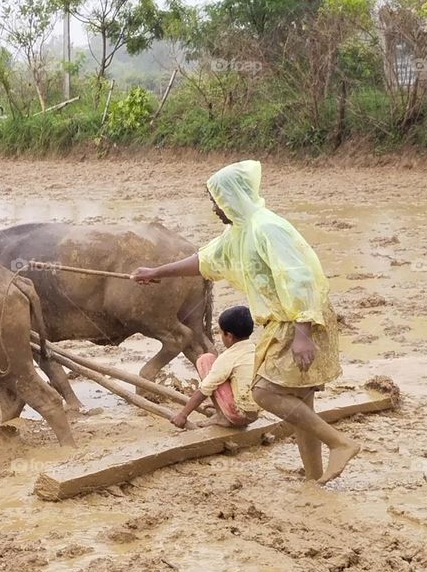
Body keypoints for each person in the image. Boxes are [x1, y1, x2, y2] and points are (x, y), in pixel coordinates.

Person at [131, 159, 359, 484]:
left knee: (265, 393)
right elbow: (206, 260)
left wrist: (303, 333)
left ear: (232, 198)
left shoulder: (267, 228)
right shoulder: (238, 233)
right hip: (282, 321)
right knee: (300, 401)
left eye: (216, 201)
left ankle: (340, 443)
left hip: (298, 319)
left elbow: (299, 278)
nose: (214, 209)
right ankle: (314, 477)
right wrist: (157, 273)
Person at [171, 304, 258, 430]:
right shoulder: (255, 349)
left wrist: (183, 415)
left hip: (238, 414)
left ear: (229, 336)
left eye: (221, 333)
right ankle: (223, 409)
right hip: (255, 413)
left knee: (205, 360)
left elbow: (205, 389)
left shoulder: (228, 357)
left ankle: (223, 416)